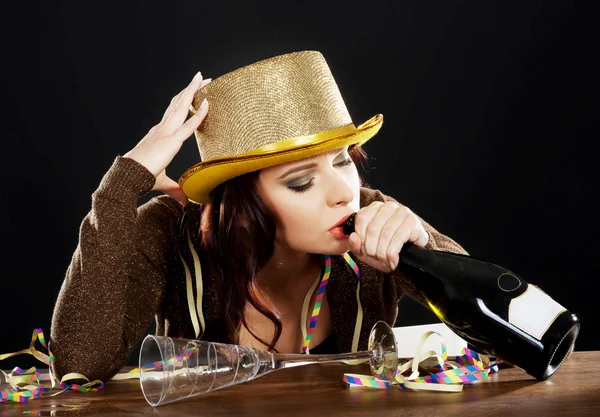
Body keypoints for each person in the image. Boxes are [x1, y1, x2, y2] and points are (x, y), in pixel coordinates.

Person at [48, 51, 468, 383]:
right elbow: (78, 366)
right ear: (241, 204)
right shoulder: (167, 231)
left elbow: (520, 339)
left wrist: (425, 258)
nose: (344, 194)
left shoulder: (371, 211)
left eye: (343, 162)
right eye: (301, 183)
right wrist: (121, 186)